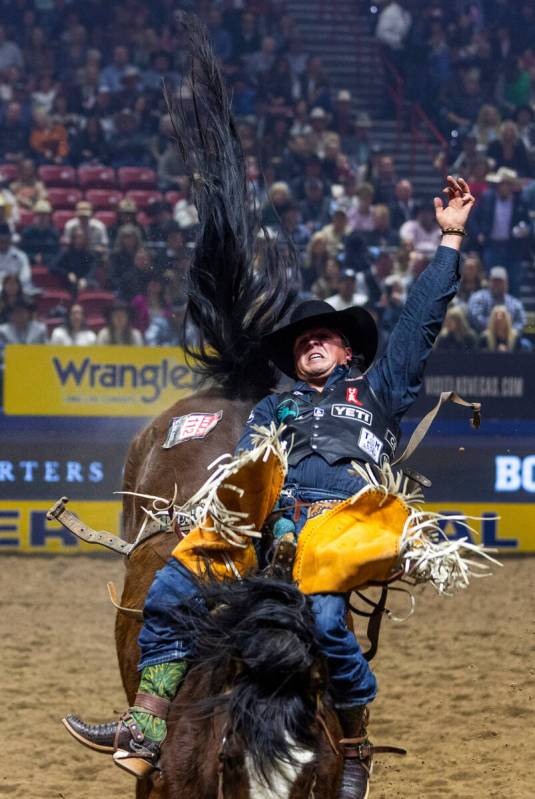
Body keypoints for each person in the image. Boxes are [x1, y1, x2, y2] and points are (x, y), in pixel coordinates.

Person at [64, 176, 476, 799]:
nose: (311, 341)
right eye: (301, 339)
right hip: (274, 525)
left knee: (325, 618)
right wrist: (268, 519)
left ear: (347, 353)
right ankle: (145, 721)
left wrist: (449, 239)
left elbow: (419, 322)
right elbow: (252, 464)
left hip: (346, 522)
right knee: (174, 581)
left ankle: (355, 740)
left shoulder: (381, 391)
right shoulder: (273, 410)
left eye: (324, 336)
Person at [468, 265, 526, 334]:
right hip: (483, 337)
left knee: (525, 344)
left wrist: (509, 331)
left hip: (508, 338)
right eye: (495, 280)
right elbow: (475, 318)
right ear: (489, 281)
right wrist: (495, 328)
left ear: (506, 283)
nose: (497, 284)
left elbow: (521, 321)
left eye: (500, 281)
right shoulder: (478, 297)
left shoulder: (514, 303)